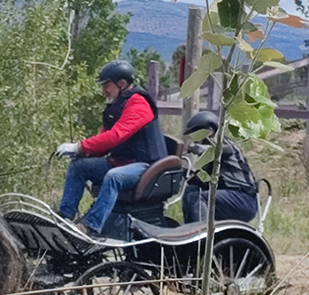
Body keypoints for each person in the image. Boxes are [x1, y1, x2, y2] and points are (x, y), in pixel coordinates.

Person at [54, 60, 166, 237]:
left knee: (114, 177)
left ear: (121, 84)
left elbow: (116, 136)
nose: (103, 90)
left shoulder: (139, 104)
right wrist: (81, 152)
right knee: (79, 166)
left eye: (106, 85)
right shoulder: (116, 106)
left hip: (145, 166)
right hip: (120, 161)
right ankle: (64, 219)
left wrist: (79, 147)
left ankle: (90, 226)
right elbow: (103, 140)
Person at [182, 110, 258, 223]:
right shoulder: (210, 157)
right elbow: (203, 181)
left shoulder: (225, 144)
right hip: (230, 196)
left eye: (196, 134)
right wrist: (182, 172)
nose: (195, 138)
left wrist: (195, 148)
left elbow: (220, 151)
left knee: (198, 198)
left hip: (243, 198)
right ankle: (189, 230)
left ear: (209, 131)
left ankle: (202, 236)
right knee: (190, 191)